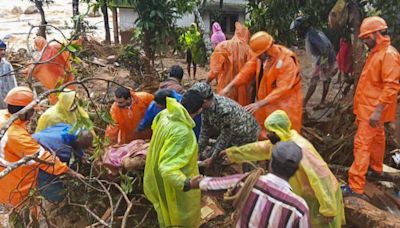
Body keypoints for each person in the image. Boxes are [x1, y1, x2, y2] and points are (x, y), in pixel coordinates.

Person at [220, 110, 345, 228]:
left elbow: (321, 179)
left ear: (280, 130)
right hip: (306, 195)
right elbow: (258, 148)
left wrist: (328, 208)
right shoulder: (281, 143)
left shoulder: (302, 149)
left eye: (272, 132)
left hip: (322, 197)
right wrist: (232, 153)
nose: (268, 135)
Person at [190, 141, 310, 228]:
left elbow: (212, 184)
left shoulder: (248, 182)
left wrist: (191, 183)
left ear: (271, 162)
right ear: (295, 170)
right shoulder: (299, 208)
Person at [343, 16, 400, 197]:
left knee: (362, 144)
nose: (365, 41)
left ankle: (356, 186)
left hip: (372, 110)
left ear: (377, 34)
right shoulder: (377, 53)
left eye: (367, 38)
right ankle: (375, 169)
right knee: (377, 139)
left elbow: (392, 86)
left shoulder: (388, 55)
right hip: (369, 109)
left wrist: (377, 111)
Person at [0, 87, 81, 208]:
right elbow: (42, 158)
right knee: (24, 210)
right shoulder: (17, 136)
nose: (33, 113)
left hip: (6, 173)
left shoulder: (3, 116)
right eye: (32, 110)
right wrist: (68, 171)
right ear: (24, 112)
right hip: (17, 182)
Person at [221, 31, 303, 138]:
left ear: (267, 50)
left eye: (259, 55)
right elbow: (246, 71)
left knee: (284, 134)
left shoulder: (286, 61)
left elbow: (282, 89)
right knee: (263, 131)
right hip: (265, 102)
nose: (257, 57)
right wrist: (230, 86)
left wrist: (259, 104)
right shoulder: (262, 58)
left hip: (285, 104)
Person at [144, 91, 203, 227]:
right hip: (174, 186)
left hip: (155, 175)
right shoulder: (184, 132)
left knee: (164, 211)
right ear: (200, 109)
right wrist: (187, 183)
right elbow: (167, 168)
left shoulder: (165, 114)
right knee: (180, 217)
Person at [190, 82, 259, 161]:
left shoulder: (224, 110)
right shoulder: (206, 107)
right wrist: (198, 151)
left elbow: (225, 137)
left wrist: (212, 159)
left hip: (247, 133)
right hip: (231, 133)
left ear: (204, 101)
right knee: (212, 156)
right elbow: (205, 130)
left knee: (247, 162)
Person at [33, 124, 93, 202]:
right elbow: (56, 164)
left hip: (39, 140)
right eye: (83, 147)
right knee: (51, 187)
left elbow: (74, 144)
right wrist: (74, 174)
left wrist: (81, 155)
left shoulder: (68, 128)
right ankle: (56, 200)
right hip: (35, 158)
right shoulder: (61, 148)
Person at [290, 16, 337, 109]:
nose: (297, 33)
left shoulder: (311, 35)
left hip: (322, 61)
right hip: (326, 60)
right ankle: (322, 102)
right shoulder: (315, 32)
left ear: (301, 28)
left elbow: (325, 47)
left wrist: (323, 64)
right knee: (326, 80)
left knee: (313, 81)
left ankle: (304, 104)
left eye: (297, 30)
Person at [22, 36, 78, 104]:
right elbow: (69, 45)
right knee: (69, 91)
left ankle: (60, 106)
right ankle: (71, 102)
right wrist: (79, 41)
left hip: (54, 78)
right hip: (65, 73)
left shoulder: (41, 57)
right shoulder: (56, 46)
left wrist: (25, 71)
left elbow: (34, 68)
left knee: (56, 93)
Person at [208, 22, 252, 106]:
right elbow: (252, 74)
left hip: (226, 87)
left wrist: (206, 82)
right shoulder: (249, 50)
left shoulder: (223, 46)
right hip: (243, 92)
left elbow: (215, 70)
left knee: (225, 110)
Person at [136, 89, 201, 139]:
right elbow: (147, 119)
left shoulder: (185, 104)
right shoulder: (154, 105)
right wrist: (139, 129)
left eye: (158, 105)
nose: (156, 105)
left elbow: (195, 126)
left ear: (165, 105)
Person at [0, 39, 17, 109]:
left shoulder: (7, 65)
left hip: (5, 97)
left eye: (4, 50)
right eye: (0, 50)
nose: (3, 52)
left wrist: (15, 95)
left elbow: (13, 82)